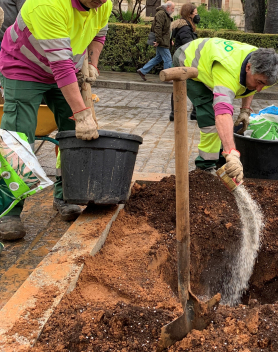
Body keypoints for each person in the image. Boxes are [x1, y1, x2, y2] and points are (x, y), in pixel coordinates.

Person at [0, 0, 112, 241]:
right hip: (24, 66)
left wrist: (91, 63)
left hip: (64, 69)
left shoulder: (103, 3)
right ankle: (9, 211)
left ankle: (65, 196)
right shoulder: (47, 4)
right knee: (18, 135)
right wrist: (82, 113)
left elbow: (99, 33)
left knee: (72, 132)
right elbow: (60, 66)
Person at [173, 38, 278, 182]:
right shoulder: (227, 71)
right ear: (248, 68)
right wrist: (232, 153)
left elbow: (250, 88)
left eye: (265, 84)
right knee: (210, 118)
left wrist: (245, 110)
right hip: (188, 61)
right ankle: (205, 168)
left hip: (212, 64)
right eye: (259, 82)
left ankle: (220, 157)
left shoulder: (259, 62)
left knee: (222, 123)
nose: (260, 89)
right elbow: (223, 112)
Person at [168, 2, 199, 122]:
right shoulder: (185, 28)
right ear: (190, 14)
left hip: (183, 58)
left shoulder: (184, 26)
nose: (197, 16)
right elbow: (189, 44)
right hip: (184, 59)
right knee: (186, 85)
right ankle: (176, 113)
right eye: (195, 13)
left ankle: (182, 113)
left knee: (181, 85)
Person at [137, 1, 174, 81]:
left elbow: (167, 30)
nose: (173, 10)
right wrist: (158, 40)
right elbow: (158, 28)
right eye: (172, 8)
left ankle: (143, 71)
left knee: (158, 58)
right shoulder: (161, 14)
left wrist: (170, 40)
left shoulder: (165, 14)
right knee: (168, 59)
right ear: (168, 7)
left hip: (163, 40)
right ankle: (167, 77)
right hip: (162, 41)